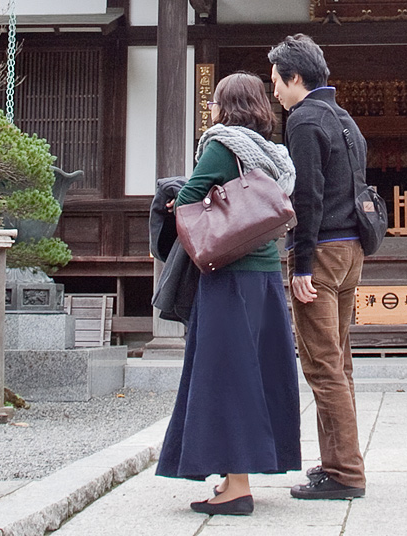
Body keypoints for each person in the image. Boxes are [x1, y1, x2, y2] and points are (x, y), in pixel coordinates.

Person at [155, 72, 301, 516]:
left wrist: (173, 199)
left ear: (225, 107)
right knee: (257, 373)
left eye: (216, 103)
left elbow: (191, 199)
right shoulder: (274, 153)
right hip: (265, 277)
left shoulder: (222, 145)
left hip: (228, 275)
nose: (212, 111)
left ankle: (236, 487)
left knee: (225, 378)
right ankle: (241, 473)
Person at [268, 34, 367, 500]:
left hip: (321, 255)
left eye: (277, 82)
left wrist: (301, 264)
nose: (275, 93)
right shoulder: (344, 118)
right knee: (339, 362)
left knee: (322, 365)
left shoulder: (304, 120)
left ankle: (346, 473)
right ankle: (336, 464)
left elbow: (306, 196)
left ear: (295, 78)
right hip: (351, 252)